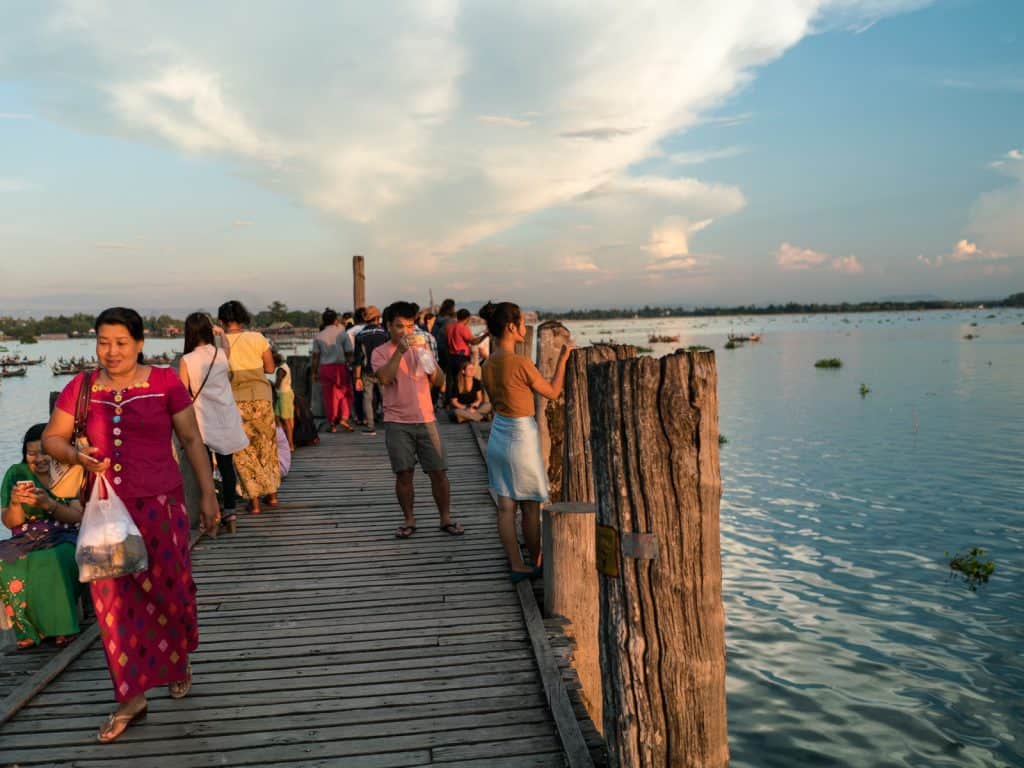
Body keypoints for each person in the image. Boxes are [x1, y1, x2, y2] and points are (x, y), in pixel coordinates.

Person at [42, 306, 219, 743]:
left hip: (161, 506)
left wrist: (209, 494)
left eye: (121, 342)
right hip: (105, 512)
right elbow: (52, 437)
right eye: (104, 342)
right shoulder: (81, 387)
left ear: (140, 343)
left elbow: (191, 439)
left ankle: (177, 657)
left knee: (171, 590)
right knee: (112, 606)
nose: (112, 351)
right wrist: (73, 456)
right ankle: (131, 697)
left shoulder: (163, 382)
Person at [479, 301, 572, 582]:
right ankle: (536, 561)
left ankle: (516, 564)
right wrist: (564, 359)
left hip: (498, 434)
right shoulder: (519, 362)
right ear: (511, 327)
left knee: (506, 507)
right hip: (521, 437)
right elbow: (553, 392)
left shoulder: (488, 363)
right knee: (531, 506)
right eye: (521, 323)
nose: (523, 328)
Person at [373, 301, 464, 539]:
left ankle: (446, 518)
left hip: (426, 417)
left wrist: (427, 357)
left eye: (410, 326)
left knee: (439, 471)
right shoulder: (380, 352)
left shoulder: (421, 346)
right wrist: (401, 351)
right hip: (397, 421)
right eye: (400, 326)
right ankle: (409, 519)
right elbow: (384, 378)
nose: (406, 331)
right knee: (404, 473)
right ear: (388, 327)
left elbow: (439, 381)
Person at [1, 423, 83, 650]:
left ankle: (61, 628)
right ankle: (27, 630)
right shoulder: (16, 474)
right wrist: (16, 503)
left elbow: (77, 515)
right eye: (32, 453)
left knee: (54, 559)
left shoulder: (69, 471)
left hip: (65, 532)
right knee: (4, 562)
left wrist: (48, 505)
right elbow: (10, 522)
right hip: (26, 537)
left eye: (44, 452)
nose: (39, 459)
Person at [179, 312, 249, 534]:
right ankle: (230, 513)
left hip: (201, 420)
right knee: (227, 467)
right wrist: (221, 333)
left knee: (205, 470)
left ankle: (209, 517)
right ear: (209, 331)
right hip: (225, 417)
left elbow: (182, 395)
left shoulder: (187, 360)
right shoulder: (220, 354)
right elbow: (228, 349)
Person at [218, 300, 281, 513]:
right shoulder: (258, 338)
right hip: (262, 397)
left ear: (221, 321)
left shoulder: (220, 343)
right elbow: (270, 368)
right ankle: (272, 495)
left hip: (235, 401)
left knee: (243, 451)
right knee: (267, 445)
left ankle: (253, 502)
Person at [311, 309, 354, 433]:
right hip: (340, 367)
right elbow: (349, 353)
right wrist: (351, 364)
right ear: (336, 320)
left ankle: (332, 423)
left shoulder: (319, 335)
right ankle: (344, 418)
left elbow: (315, 357)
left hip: (325, 368)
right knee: (345, 394)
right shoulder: (342, 334)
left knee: (329, 396)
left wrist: (314, 372)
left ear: (323, 321)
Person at [352, 306, 388, 436]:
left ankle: (371, 426)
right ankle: (389, 423)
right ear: (377, 318)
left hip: (367, 371)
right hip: (383, 370)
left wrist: (357, 378)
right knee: (386, 397)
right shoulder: (384, 333)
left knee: (367, 398)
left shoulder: (360, 335)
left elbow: (358, 359)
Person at [445, 308, 488, 392]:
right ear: (467, 318)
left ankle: (450, 400)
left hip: (450, 357)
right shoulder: (463, 328)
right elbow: (473, 341)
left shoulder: (449, 327)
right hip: (461, 357)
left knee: (452, 381)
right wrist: (485, 335)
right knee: (462, 380)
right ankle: (462, 399)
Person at [272, 351, 295, 451]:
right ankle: (284, 440)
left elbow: (277, 384)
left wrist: (269, 383)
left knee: (287, 421)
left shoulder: (280, 370)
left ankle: (290, 445)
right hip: (286, 393)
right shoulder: (286, 366)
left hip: (284, 396)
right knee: (277, 417)